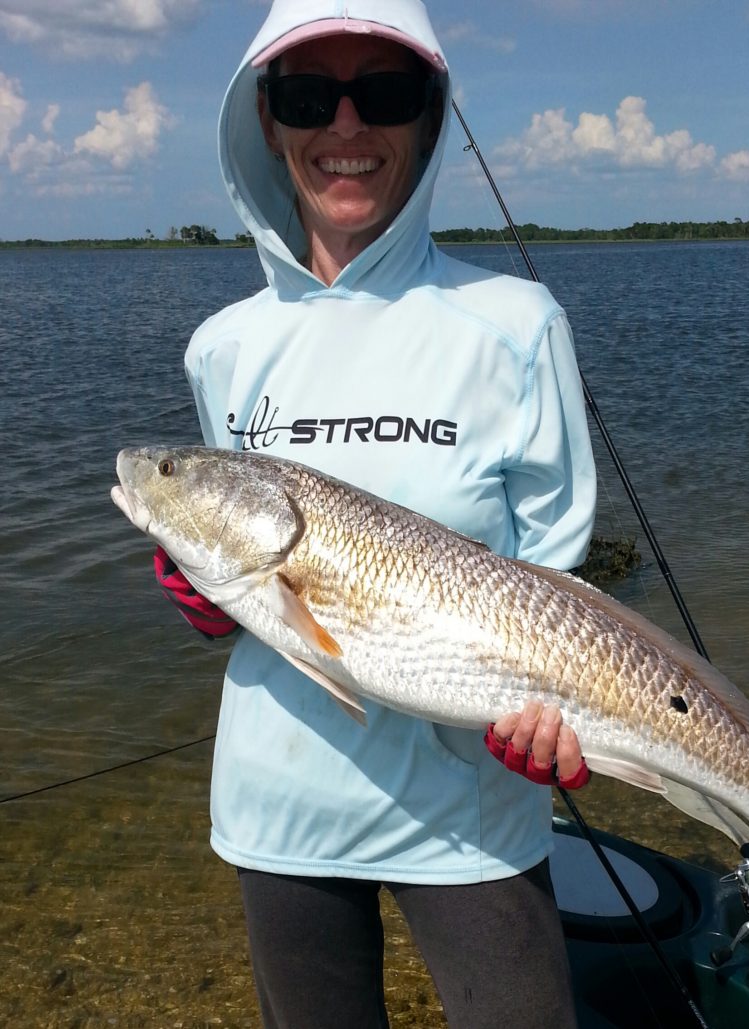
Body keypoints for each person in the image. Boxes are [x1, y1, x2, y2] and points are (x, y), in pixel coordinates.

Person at [157, 1, 597, 1025]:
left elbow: (557, 581)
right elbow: (245, 550)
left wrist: (553, 713)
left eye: (385, 94)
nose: (346, 128)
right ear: (267, 122)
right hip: (277, 808)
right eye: (309, 95)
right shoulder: (221, 344)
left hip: (475, 812)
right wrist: (210, 592)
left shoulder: (516, 326)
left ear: (430, 118)